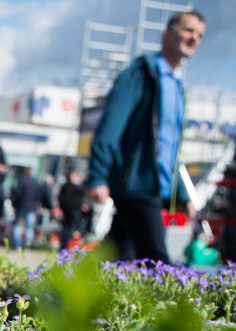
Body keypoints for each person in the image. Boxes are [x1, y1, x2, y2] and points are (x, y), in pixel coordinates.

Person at [86, 10, 205, 262]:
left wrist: (182, 194)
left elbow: (170, 150)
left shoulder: (176, 85)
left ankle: (65, 293)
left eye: (200, 35)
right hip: (136, 185)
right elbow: (110, 126)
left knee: (116, 254)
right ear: (168, 33)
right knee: (156, 261)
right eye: (188, 30)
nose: (194, 38)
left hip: (156, 188)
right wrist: (98, 175)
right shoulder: (142, 74)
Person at [11, 166, 41, 249]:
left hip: (21, 206)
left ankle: (17, 246)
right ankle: (27, 247)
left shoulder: (21, 181)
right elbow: (38, 196)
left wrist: (14, 204)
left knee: (17, 226)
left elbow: (17, 194)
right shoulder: (35, 182)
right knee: (29, 228)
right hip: (32, 207)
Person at [57, 170, 88, 248]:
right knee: (69, 230)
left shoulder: (71, 187)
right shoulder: (70, 187)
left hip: (70, 212)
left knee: (69, 230)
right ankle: (66, 246)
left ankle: (67, 246)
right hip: (71, 212)